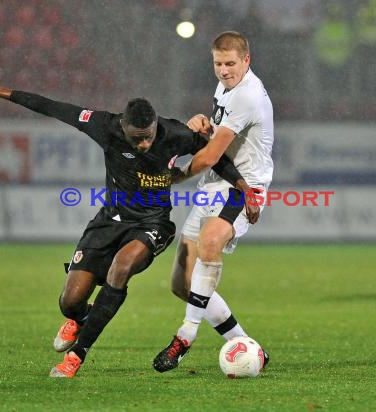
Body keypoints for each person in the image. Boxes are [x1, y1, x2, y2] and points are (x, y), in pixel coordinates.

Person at [0, 55, 260, 378]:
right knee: (70, 301)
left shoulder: (173, 133)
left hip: (153, 224)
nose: (146, 143)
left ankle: (77, 356)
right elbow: (54, 107)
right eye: (138, 139)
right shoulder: (105, 126)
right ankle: (80, 320)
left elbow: (215, 158)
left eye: (149, 135)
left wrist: (244, 186)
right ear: (123, 127)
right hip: (109, 221)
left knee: (120, 269)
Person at [153, 31, 274, 372]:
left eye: (230, 63)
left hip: (244, 187)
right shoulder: (226, 88)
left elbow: (208, 157)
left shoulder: (247, 95)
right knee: (183, 284)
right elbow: (218, 140)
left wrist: (176, 175)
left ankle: (185, 336)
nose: (223, 70)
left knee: (209, 245)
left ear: (246, 60)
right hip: (214, 185)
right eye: (218, 64)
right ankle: (247, 345)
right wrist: (204, 125)